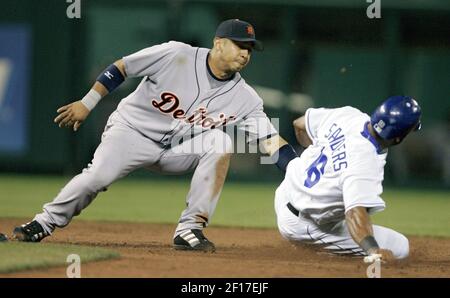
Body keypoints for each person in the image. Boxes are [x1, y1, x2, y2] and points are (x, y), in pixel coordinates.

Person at [12, 19, 298, 252]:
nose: (246, 53)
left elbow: (272, 143)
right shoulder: (177, 55)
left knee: (221, 141)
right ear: (218, 43)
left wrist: (297, 172)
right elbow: (121, 68)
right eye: (240, 45)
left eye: (250, 49)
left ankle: (189, 229)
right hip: (130, 132)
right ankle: (42, 223)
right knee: (97, 177)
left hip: (176, 149)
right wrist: (87, 103)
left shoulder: (245, 98)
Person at [275, 96, 422, 261]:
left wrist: (327, 155)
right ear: (398, 138)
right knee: (401, 247)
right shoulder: (365, 163)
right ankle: (317, 250)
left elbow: (299, 124)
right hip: (302, 226)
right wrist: (373, 250)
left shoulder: (349, 116)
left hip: (286, 191)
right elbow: (354, 213)